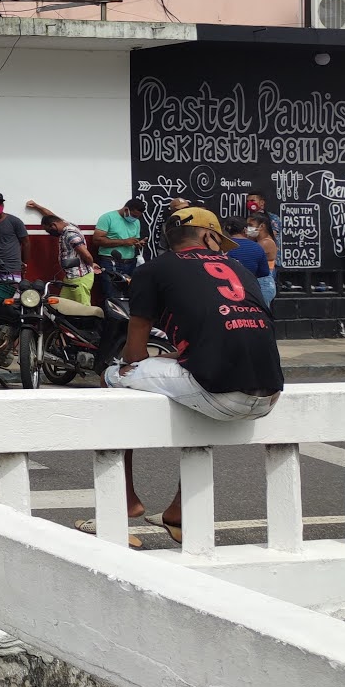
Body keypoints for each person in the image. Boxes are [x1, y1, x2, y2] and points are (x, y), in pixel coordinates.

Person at [101, 207, 283, 546]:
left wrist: (144, 364)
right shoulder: (240, 269)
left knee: (112, 376)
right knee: (194, 384)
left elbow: (134, 355)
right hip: (270, 393)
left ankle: (124, 501)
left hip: (221, 393)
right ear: (209, 235)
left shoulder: (153, 269)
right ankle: (178, 512)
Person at [27, 200, 97, 305]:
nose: (49, 233)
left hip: (79, 277)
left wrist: (91, 264)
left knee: (83, 308)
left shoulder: (70, 234)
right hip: (70, 277)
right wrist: (37, 206)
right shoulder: (66, 225)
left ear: (53, 225)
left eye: (48, 230)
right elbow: (51, 216)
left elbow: (86, 254)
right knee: (61, 306)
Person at [91, 198, 147, 286]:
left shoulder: (136, 222)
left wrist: (138, 244)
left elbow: (132, 241)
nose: (135, 218)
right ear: (126, 209)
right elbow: (97, 240)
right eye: (133, 215)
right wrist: (124, 242)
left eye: (137, 217)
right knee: (112, 292)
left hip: (130, 263)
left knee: (129, 291)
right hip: (111, 262)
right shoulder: (108, 218)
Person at [245, 213, 279, 308]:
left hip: (264, 284)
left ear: (262, 226)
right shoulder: (258, 241)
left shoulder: (265, 243)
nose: (248, 228)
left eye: (251, 225)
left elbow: (248, 253)